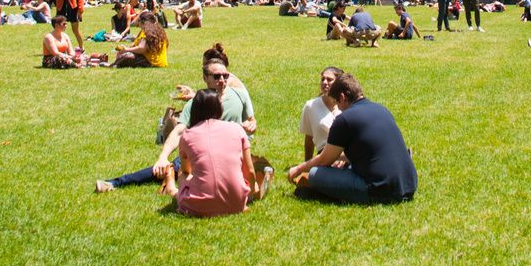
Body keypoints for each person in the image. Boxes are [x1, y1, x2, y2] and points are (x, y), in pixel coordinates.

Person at [96, 57, 256, 191]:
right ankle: (115, 183)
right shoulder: (197, 102)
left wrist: (251, 125)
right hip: (203, 151)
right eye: (216, 76)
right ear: (205, 78)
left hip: (233, 153)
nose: (222, 80)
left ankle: (173, 182)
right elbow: (179, 131)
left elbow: (251, 120)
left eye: (225, 76)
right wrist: (163, 157)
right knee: (170, 166)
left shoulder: (239, 95)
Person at [289, 74, 417, 204]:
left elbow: (324, 160)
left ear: (343, 98)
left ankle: (330, 195)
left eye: (337, 103)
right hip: (408, 186)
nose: (338, 108)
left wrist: (298, 169)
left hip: (379, 190)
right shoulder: (382, 109)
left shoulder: (344, 119)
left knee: (315, 173)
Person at [161, 88, 261, 217]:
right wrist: (251, 195)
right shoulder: (237, 129)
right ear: (220, 109)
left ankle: (172, 190)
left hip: (197, 207)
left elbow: (186, 170)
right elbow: (250, 171)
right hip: (237, 203)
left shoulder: (188, 135)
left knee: (182, 174)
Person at [300, 67, 345, 161]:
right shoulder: (311, 106)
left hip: (346, 156)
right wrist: (307, 165)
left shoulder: (346, 105)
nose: (324, 82)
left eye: (329, 80)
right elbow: (309, 138)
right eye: (322, 79)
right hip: (323, 157)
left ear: (339, 83)